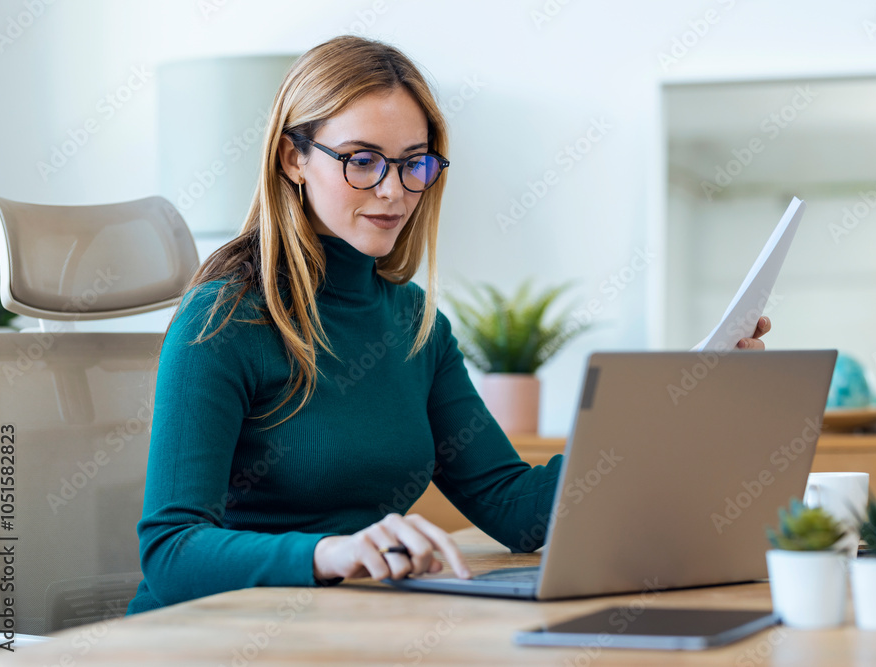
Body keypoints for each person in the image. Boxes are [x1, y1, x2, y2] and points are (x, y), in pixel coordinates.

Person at [127, 35, 770, 615]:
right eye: (361, 160)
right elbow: (172, 549)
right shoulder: (224, 319)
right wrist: (334, 553)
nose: (394, 190)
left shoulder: (415, 327)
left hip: (343, 624)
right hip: (205, 634)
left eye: (414, 162)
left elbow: (513, 506)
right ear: (294, 159)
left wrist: (686, 406)